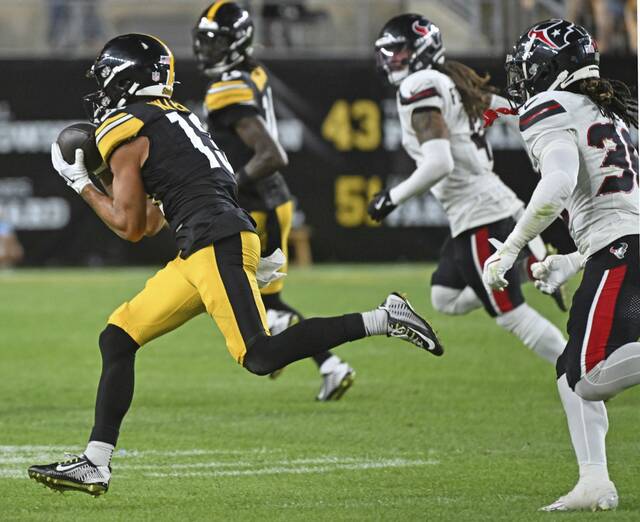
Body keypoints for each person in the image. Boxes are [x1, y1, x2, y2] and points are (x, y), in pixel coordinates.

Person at [26, 33, 441, 496]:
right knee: (119, 336)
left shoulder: (127, 127)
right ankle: (95, 464)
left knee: (259, 355)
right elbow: (152, 220)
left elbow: (127, 227)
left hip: (214, 241)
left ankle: (384, 317)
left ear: (125, 77)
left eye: (106, 77)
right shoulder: (175, 117)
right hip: (208, 240)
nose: (102, 90)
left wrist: (81, 182)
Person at [369, 14, 616, 512]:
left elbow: (437, 161)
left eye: (398, 50)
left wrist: (389, 199)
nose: (392, 61)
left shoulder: (422, 83)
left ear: (418, 52)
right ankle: (535, 264)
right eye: (388, 51)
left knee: (510, 316)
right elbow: (507, 106)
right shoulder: (446, 80)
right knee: (443, 298)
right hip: (473, 218)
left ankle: (578, 374)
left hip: (485, 215)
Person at [483, 18, 639, 510]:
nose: (524, 78)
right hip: (619, 246)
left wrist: (509, 248)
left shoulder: (551, 109)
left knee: (590, 373)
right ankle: (593, 480)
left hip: (622, 251)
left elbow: (555, 187)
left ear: (551, 67)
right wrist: (573, 259)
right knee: (571, 366)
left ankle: (595, 479)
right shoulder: (608, 111)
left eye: (530, 66)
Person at [192, 1, 355, 401]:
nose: (205, 52)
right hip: (268, 198)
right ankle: (317, 361)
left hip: (257, 202)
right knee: (265, 300)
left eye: (215, 44)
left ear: (237, 43)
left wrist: (230, 183)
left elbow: (271, 154)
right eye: (205, 43)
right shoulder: (252, 71)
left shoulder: (226, 88)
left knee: (263, 303)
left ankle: (330, 363)